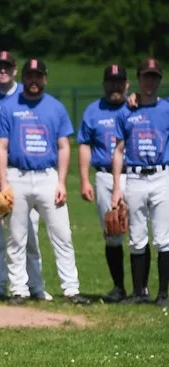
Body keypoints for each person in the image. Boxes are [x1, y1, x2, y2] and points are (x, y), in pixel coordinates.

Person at [0, 58, 89, 305]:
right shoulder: (9, 107)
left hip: (48, 177)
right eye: (29, 75)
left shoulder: (55, 108)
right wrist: (3, 183)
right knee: (16, 237)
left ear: (45, 78)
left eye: (38, 75)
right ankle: (18, 289)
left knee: (62, 234)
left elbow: (63, 146)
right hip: (17, 176)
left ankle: (71, 289)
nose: (33, 80)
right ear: (23, 77)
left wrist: (62, 182)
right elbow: (1, 147)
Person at [0, 51, 50, 301]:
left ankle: (35, 285)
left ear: (15, 70)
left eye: (7, 65)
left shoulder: (26, 94)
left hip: (19, 169)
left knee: (28, 229)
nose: (2, 69)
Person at [111, 57, 169, 306]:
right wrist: (116, 187)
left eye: (154, 76)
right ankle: (138, 292)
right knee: (136, 237)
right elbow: (118, 150)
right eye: (146, 75)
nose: (150, 80)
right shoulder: (127, 110)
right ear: (138, 78)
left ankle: (164, 293)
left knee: (164, 238)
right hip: (134, 176)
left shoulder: (166, 109)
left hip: (162, 175)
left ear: (159, 80)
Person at [77, 64, 135, 303]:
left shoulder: (135, 107)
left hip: (133, 175)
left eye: (119, 82)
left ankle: (141, 289)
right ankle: (119, 288)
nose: (115, 86)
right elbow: (84, 144)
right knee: (112, 231)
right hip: (103, 176)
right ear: (103, 85)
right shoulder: (93, 111)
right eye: (111, 82)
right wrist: (84, 180)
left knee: (138, 233)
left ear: (127, 84)